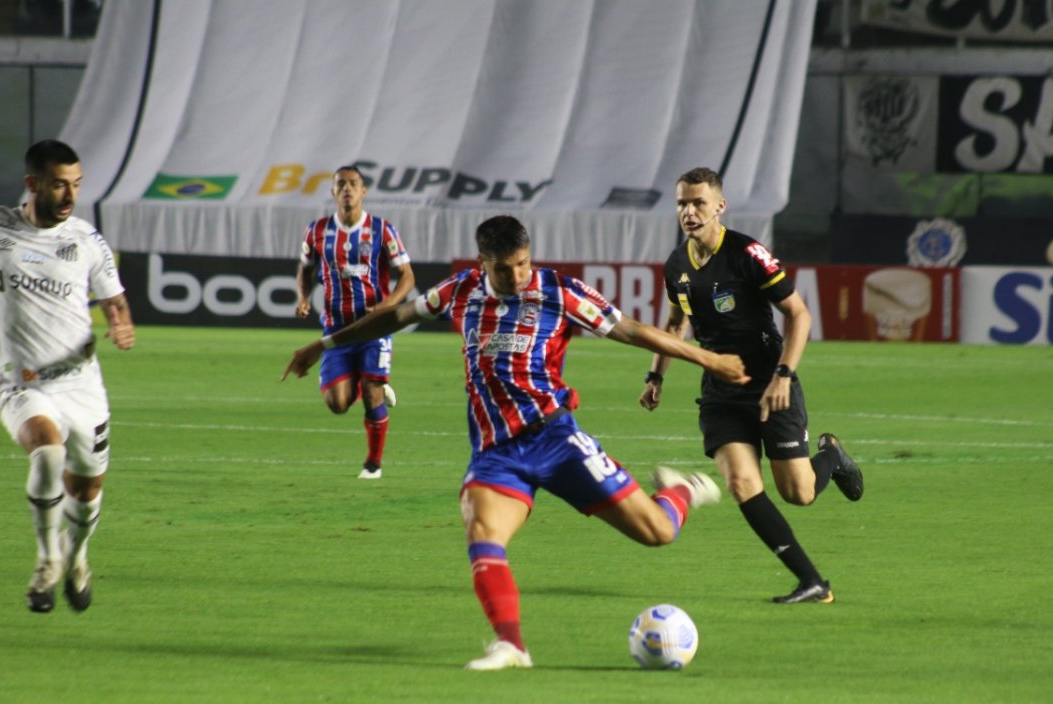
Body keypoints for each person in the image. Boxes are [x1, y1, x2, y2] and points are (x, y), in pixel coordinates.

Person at [284, 215, 747, 670]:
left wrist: (710, 360)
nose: (517, 276)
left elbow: (632, 329)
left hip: (557, 438)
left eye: (523, 264)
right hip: (496, 453)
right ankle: (511, 646)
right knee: (483, 534)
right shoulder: (459, 290)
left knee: (658, 533)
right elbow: (391, 318)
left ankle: (681, 490)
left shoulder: (558, 291)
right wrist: (324, 346)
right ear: (483, 263)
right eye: (504, 268)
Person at [639, 167, 863, 604]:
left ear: (719, 206)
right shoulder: (676, 265)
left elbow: (799, 315)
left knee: (798, 493)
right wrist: (656, 375)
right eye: (682, 203)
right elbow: (674, 324)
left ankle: (831, 456)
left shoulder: (748, 253)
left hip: (768, 383)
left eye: (698, 202)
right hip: (721, 391)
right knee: (742, 483)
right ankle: (812, 582)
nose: (689, 211)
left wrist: (783, 374)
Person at [0, 139, 136, 613]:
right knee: (47, 452)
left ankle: (77, 557)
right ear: (32, 184)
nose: (70, 196)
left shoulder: (87, 240)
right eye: (58, 185)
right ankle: (47, 561)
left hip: (80, 381)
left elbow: (113, 297)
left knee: (87, 489)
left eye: (76, 185)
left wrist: (119, 320)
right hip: (18, 382)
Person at [294, 164, 415, 479]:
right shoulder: (317, 231)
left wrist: (387, 306)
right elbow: (305, 270)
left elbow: (407, 276)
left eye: (353, 183)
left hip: (375, 327)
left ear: (363, 191)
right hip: (336, 329)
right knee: (337, 404)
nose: (347, 188)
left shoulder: (382, 230)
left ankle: (373, 464)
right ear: (332, 192)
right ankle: (368, 377)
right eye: (341, 184)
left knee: (372, 393)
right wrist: (303, 297)